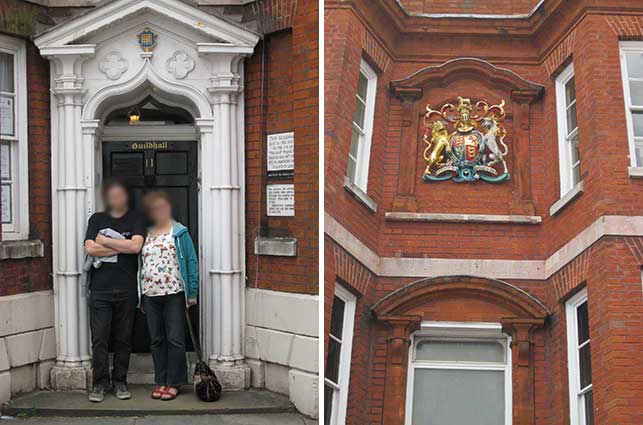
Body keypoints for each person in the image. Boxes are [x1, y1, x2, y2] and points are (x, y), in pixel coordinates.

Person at [84, 180, 146, 402]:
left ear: (125, 197)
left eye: (119, 194)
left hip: (127, 290)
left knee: (123, 339)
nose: (116, 198)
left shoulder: (136, 219)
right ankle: (100, 383)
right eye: (112, 194)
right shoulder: (97, 219)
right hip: (100, 291)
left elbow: (136, 247)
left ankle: (120, 381)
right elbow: (90, 248)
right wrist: (122, 245)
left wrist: (106, 242)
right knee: (99, 339)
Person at [140, 191, 198, 401]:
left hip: (174, 293)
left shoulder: (180, 232)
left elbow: (191, 261)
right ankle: (161, 380)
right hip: (150, 294)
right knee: (156, 340)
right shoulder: (146, 234)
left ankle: (174, 382)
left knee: (175, 339)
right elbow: (140, 265)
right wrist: (141, 295)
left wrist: (192, 292)